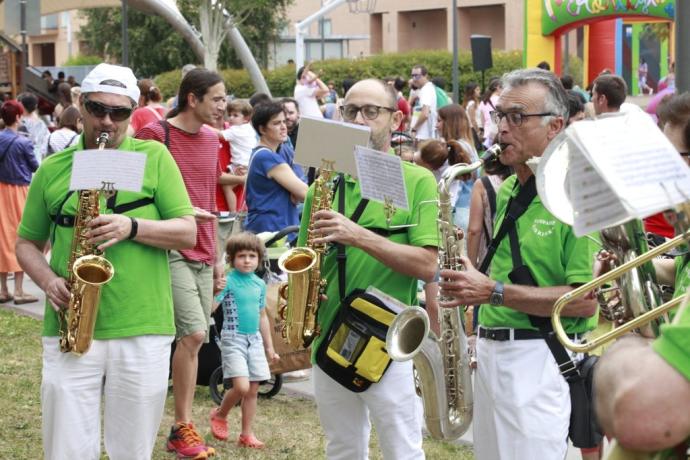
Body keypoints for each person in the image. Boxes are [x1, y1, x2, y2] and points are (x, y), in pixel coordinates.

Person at [15, 63, 197, 460]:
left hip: (143, 326)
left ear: (133, 111)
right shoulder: (52, 169)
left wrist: (131, 226)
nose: (107, 121)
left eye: (119, 112)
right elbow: (27, 244)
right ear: (80, 104)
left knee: (132, 452)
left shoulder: (156, 157)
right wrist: (47, 281)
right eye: (97, 109)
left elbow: (188, 231)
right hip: (70, 323)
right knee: (65, 449)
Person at [438, 68, 598, 460]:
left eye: (517, 117)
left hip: (540, 359)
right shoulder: (508, 187)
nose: (502, 129)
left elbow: (584, 300)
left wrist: (490, 292)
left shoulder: (578, 194)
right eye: (499, 116)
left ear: (555, 126)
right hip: (492, 354)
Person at [302, 78, 439, 459]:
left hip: (389, 340)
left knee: (403, 451)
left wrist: (358, 235)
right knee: (342, 448)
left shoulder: (418, 181)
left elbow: (428, 265)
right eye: (350, 111)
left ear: (395, 120)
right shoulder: (322, 187)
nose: (358, 120)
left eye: (370, 111)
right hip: (328, 336)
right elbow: (305, 259)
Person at [136, 68, 227, 459]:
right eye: (218, 99)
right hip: (168, 247)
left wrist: (219, 256)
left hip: (206, 249)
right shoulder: (156, 135)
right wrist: (180, 212)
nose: (224, 107)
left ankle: (175, 422)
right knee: (192, 335)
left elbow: (211, 195)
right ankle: (181, 426)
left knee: (188, 337)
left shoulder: (212, 140)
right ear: (193, 98)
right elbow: (137, 194)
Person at [209, 232, 280, 448]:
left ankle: (246, 434)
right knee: (240, 387)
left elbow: (261, 317)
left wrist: (269, 348)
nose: (247, 260)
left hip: (255, 340)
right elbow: (212, 307)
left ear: (259, 258)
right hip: (233, 339)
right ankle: (220, 414)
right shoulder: (228, 281)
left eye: (252, 255)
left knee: (253, 389)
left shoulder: (259, 284)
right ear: (231, 259)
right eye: (241, 256)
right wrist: (214, 289)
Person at [243, 101, 307, 235]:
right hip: (274, 230)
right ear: (262, 129)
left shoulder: (269, 153)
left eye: (284, 122)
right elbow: (305, 193)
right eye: (276, 123)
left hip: (274, 227)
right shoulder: (267, 157)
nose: (283, 127)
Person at [0, 100, 39, 305]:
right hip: (18, 191)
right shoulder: (23, 142)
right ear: (17, 117)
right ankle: (18, 290)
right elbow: (34, 166)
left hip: (0, 190)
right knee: (20, 236)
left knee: (2, 237)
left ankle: (3, 290)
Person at [18, 92, 50, 162]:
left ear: (21, 106)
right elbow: (45, 145)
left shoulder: (19, 123)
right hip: (38, 160)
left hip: (22, 162)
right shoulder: (42, 123)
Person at [409, 64, 437, 142]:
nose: (414, 79)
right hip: (424, 135)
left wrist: (414, 129)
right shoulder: (426, 88)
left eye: (417, 76)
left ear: (425, 76)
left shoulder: (426, 90)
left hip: (423, 135)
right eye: (412, 76)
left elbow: (425, 113)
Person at [478, 78, 502, 148]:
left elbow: (482, 119)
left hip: (486, 133)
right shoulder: (498, 100)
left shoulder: (483, 101)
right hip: (495, 134)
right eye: (503, 88)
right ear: (497, 87)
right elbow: (495, 120)